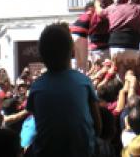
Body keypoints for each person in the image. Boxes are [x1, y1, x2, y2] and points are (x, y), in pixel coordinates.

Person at [26, 23, 101, 157]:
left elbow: (41, 124)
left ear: (42, 55)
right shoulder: (84, 81)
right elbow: (98, 126)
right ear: (72, 51)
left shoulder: (36, 87)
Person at [69, 3, 95, 73]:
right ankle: (83, 77)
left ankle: (77, 77)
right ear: (90, 8)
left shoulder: (82, 16)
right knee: (84, 62)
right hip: (81, 36)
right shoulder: (91, 14)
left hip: (73, 35)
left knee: (78, 60)